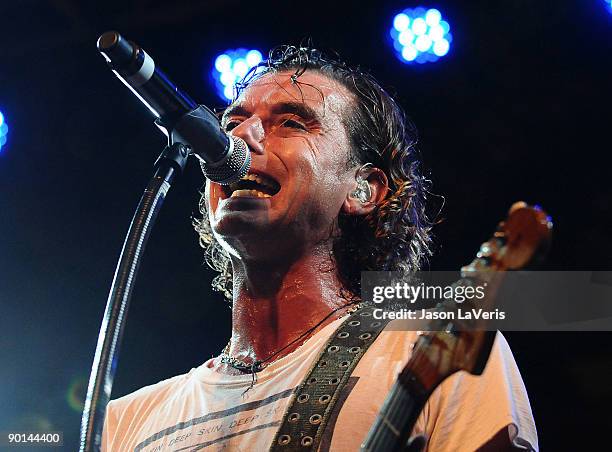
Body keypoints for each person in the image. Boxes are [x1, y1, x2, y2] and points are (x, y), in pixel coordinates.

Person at [102, 46, 538, 451]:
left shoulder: (434, 348)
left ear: (364, 190)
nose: (241, 140)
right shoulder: (125, 421)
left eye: (291, 122)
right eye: (232, 124)